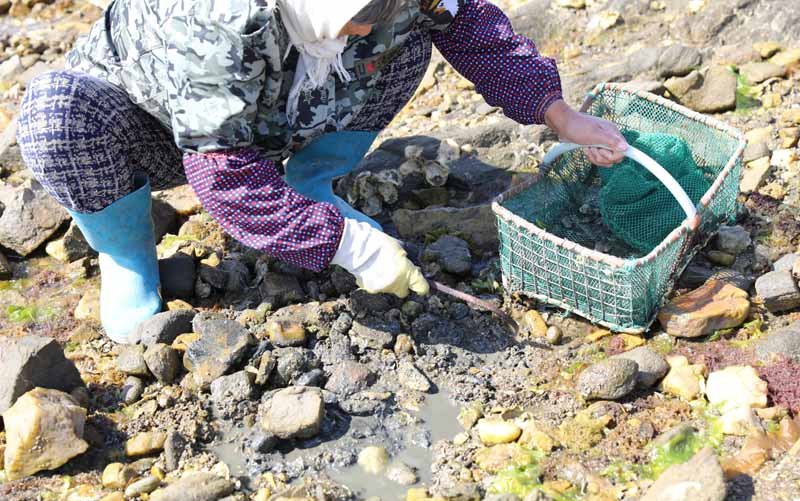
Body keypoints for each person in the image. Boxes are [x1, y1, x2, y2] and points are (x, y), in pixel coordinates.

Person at [18, 0, 628, 343]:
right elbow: (225, 177)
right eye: (361, 10)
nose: (369, 26)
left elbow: (469, 25)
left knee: (409, 39)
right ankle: (128, 256)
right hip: (151, 123)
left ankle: (312, 185)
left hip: (282, 96)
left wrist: (558, 113)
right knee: (56, 117)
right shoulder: (215, 19)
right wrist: (351, 249)